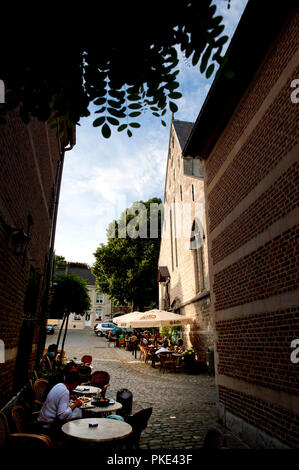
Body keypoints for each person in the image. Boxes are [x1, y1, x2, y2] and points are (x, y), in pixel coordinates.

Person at [37, 370, 83, 439]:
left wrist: (70, 397)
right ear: (74, 383)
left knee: (77, 413)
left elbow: (57, 397)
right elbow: (62, 416)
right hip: (48, 426)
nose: (76, 386)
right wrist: (76, 404)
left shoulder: (59, 385)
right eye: (77, 383)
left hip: (43, 419)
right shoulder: (65, 392)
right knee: (78, 418)